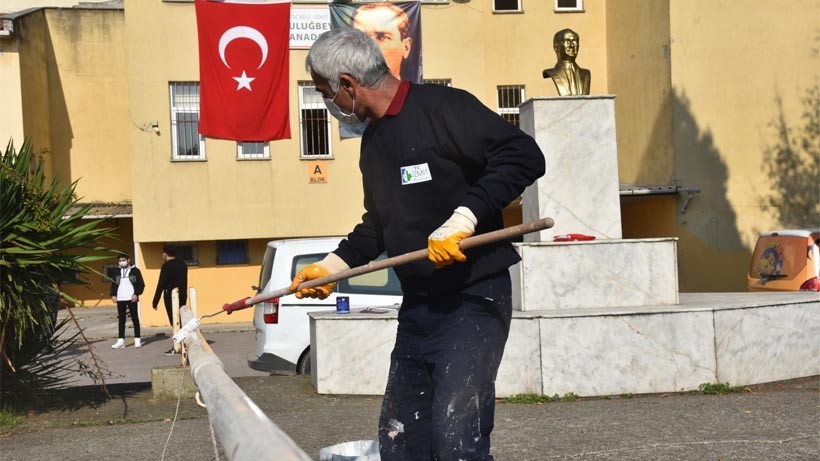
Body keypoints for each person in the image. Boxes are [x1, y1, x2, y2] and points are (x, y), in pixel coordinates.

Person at [293, 28, 545, 460]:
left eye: (324, 93)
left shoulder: (443, 109)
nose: (328, 104)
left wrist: (463, 220)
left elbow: (524, 155)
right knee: (400, 438)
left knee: (455, 438)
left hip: (473, 300)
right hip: (418, 308)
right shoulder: (372, 144)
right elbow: (379, 224)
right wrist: (333, 266)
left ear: (348, 85)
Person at [351, 2, 412, 81]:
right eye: (362, 38)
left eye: (382, 37)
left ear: (406, 47)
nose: (371, 48)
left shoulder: (419, 93)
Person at [151, 244, 188, 355]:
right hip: (182, 295)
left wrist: (155, 301)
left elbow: (161, 284)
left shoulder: (166, 266)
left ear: (165, 253)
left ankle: (178, 346)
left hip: (171, 296)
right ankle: (183, 343)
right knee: (180, 320)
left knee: (175, 322)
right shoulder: (183, 264)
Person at [110, 254, 145, 349]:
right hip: (120, 298)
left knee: (135, 318)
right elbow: (113, 283)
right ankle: (121, 340)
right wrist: (113, 294)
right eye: (120, 260)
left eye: (123, 260)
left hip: (131, 297)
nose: (121, 262)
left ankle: (137, 339)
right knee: (121, 320)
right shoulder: (116, 271)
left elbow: (141, 284)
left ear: (128, 260)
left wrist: (136, 294)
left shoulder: (135, 271)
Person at [542, 28, 591, 96]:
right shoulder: (552, 73)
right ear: (556, 47)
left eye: (574, 41)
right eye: (567, 41)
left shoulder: (586, 74)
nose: (572, 45)